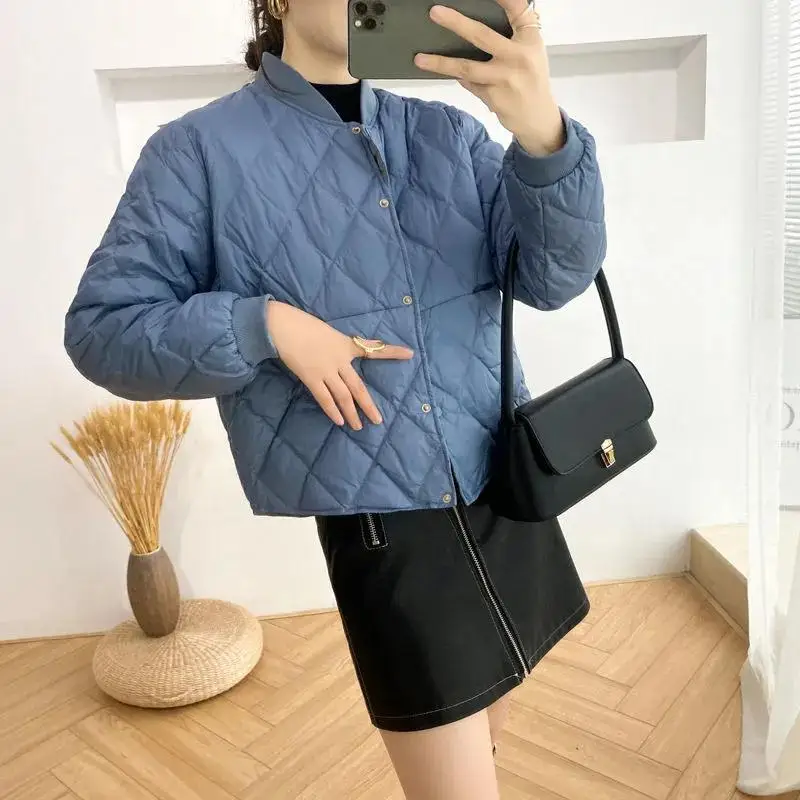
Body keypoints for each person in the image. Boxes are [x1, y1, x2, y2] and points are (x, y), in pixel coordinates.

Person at [63, 0, 605, 796]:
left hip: (505, 489)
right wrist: (264, 325)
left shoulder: (450, 134)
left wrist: (544, 138)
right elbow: (102, 330)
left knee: (488, 734)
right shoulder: (199, 152)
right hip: (384, 528)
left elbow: (556, 278)